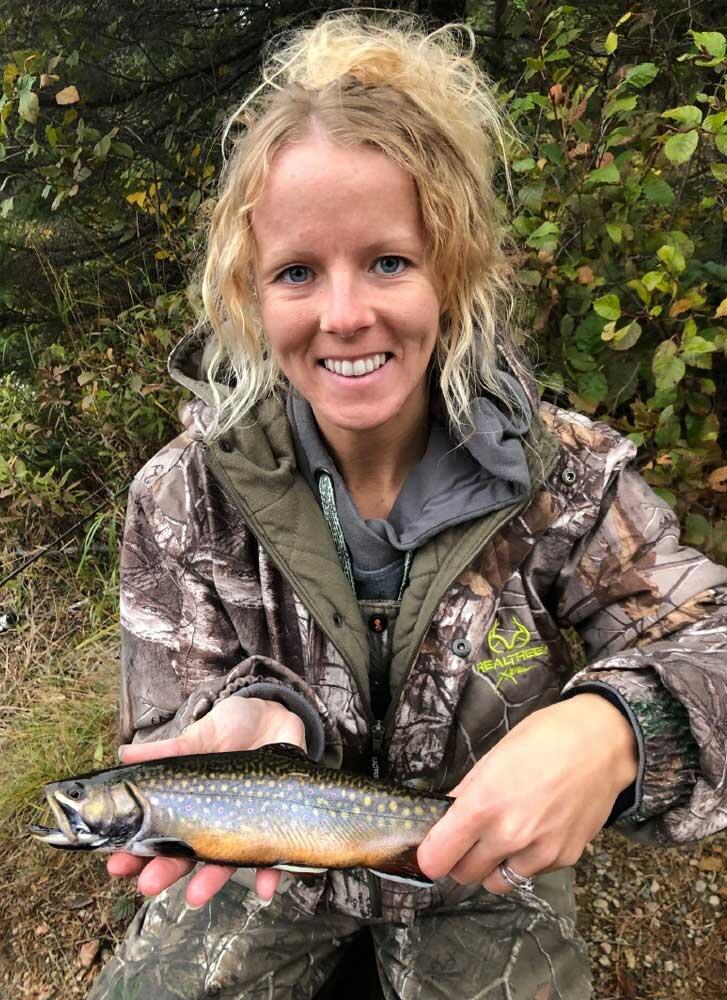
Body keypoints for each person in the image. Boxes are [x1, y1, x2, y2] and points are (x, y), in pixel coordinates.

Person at [88, 12, 727, 1000]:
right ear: (250, 298)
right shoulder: (179, 501)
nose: (345, 313)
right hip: (256, 883)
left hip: (481, 879)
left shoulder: (565, 476)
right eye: (297, 272)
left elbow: (710, 639)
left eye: (388, 260)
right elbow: (171, 715)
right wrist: (246, 715)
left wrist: (614, 727)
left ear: (454, 267)